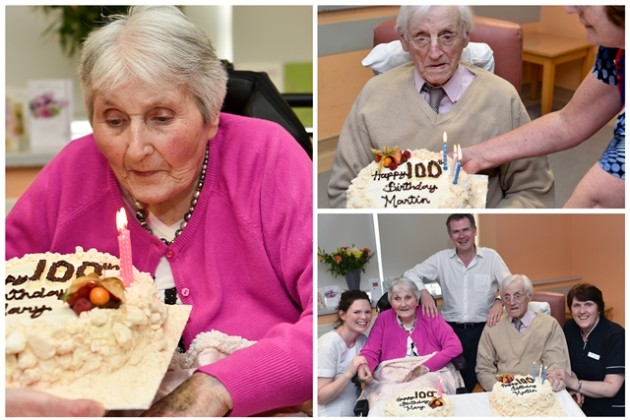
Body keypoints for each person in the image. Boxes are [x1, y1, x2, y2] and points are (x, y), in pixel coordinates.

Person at [5, 6, 312, 417]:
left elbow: (330, 324)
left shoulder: (267, 159)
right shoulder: (73, 172)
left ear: (210, 116)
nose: (135, 149)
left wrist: (217, 388)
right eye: (114, 121)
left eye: (161, 118)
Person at [327, 5, 555, 208]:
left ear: (465, 37)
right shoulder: (373, 96)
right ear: (405, 41)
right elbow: (342, 189)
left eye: (447, 36)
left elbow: (533, 191)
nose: (434, 53)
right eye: (421, 37)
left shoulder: (502, 98)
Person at [462, 6, 625, 208]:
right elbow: (568, 122)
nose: (570, 8)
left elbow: (599, 197)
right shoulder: (616, 48)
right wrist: (478, 155)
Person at [402, 213, 511, 392]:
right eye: (456, 232)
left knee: (479, 377)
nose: (462, 235)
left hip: (484, 331)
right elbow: (409, 274)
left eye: (466, 229)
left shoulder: (491, 257)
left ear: (474, 230)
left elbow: (509, 285)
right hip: (450, 332)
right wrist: (423, 292)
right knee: (451, 382)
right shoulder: (441, 259)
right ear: (450, 236)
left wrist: (499, 301)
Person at [356, 278, 463, 385]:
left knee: (426, 389)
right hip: (393, 373)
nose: (403, 304)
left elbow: (454, 346)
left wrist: (426, 367)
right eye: (397, 299)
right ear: (391, 302)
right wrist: (364, 366)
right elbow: (370, 351)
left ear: (416, 300)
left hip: (429, 370)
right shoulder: (383, 319)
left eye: (408, 298)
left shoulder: (429, 314)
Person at [476, 274, 570, 391]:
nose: (512, 302)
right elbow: (484, 369)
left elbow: (555, 366)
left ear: (529, 297)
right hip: (503, 390)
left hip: (538, 390)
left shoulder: (549, 325)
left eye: (517, 296)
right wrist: (499, 390)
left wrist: (543, 388)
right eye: (507, 297)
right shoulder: (493, 325)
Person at [551, 284, 624, 416]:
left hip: (611, 409)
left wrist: (574, 383)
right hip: (579, 402)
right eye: (577, 305)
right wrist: (575, 385)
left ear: (599, 309)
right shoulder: (569, 328)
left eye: (588, 304)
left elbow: (611, 387)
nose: (582, 311)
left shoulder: (616, 336)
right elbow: (567, 364)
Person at [318, 290, 373, 417]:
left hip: (355, 412)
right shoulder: (327, 345)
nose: (364, 317)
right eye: (357, 312)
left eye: (367, 312)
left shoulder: (362, 340)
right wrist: (350, 372)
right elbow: (321, 397)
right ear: (343, 315)